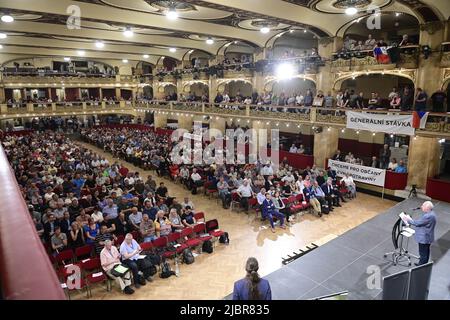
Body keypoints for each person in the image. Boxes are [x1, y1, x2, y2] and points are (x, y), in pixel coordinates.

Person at [406, 201, 437, 266]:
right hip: (428, 236)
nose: (421, 207)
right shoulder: (432, 213)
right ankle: (423, 263)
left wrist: (408, 220)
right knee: (426, 251)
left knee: (423, 252)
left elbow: (417, 223)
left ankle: (421, 266)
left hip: (424, 238)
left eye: (423, 206)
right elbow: (422, 222)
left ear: (427, 208)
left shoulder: (428, 216)